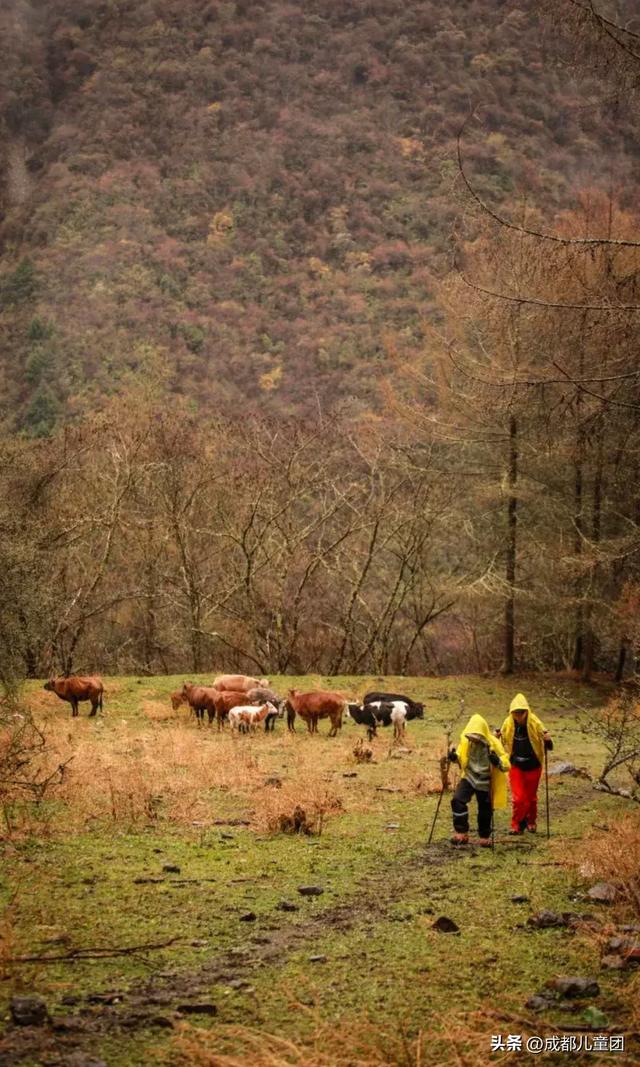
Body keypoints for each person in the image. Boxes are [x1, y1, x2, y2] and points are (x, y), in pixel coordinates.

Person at [448, 713, 509, 846]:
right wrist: (454, 757)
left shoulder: (493, 743)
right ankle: (461, 833)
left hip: (486, 780)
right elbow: (460, 755)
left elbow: (506, 763)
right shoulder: (465, 740)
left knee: (485, 808)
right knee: (457, 800)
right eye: (471, 736)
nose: (473, 739)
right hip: (469, 777)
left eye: (476, 737)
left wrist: (497, 761)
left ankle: (484, 836)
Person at [499, 693, 553, 835]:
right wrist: (497, 736)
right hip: (515, 764)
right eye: (515, 713)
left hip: (534, 764)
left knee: (530, 797)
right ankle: (516, 824)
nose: (518, 716)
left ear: (526, 712)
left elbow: (547, 739)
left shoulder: (535, 722)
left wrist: (547, 740)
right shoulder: (508, 722)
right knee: (518, 798)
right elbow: (501, 738)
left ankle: (531, 821)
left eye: (520, 713)